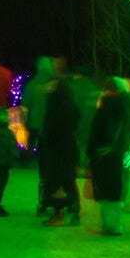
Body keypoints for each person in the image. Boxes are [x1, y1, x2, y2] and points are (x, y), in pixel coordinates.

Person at [87, 77, 130, 235]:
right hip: (116, 152)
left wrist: (90, 151)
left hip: (102, 153)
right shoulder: (126, 107)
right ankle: (113, 225)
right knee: (114, 188)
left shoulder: (105, 107)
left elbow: (96, 131)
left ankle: (108, 225)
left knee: (105, 189)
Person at [39, 75, 82, 227]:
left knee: (58, 181)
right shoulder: (70, 104)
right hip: (67, 147)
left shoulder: (57, 106)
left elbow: (54, 128)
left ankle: (60, 215)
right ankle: (74, 212)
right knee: (68, 180)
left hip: (58, 149)